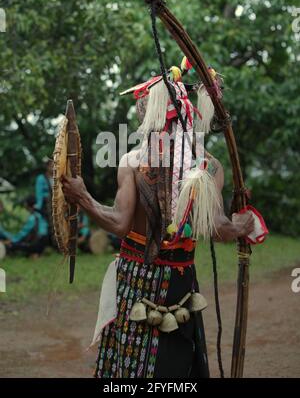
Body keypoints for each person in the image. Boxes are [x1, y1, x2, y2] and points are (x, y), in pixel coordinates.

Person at [61, 63, 254, 378]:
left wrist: (85, 199)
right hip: (175, 282)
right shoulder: (209, 166)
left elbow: (120, 223)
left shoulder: (136, 162)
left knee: (140, 367)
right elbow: (221, 229)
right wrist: (243, 224)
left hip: (145, 281)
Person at [35, 159, 53, 245]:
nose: (53, 168)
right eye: (51, 165)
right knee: (44, 225)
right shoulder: (41, 178)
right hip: (45, 206)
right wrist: (38, 207)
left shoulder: (58, 178)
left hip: (56, 205)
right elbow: (39, 194)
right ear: (47, 167)